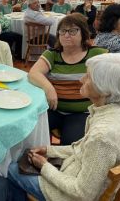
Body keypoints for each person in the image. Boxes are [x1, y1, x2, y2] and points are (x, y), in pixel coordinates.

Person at [8, 53, 120, 201]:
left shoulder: (102, 137)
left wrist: (44, 167)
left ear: (105, 90)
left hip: (69, 195)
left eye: (88, 77)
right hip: (83, 176)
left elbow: (82, 194)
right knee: (25, 159)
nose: (81, 80)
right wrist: (49, 150)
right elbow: (85, 149)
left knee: (10, 169)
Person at [28, 13, 107, 145]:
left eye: (72, 31)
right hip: (54, 109)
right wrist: (49, 88)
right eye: (63, 31)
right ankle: (39, 160)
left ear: (83, 33)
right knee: (31, 132)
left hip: (82, 113)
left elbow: (115, 76)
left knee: (70, 143)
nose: (66, 35)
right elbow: (33, 73)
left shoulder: (96, 54)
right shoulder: (53, 54)